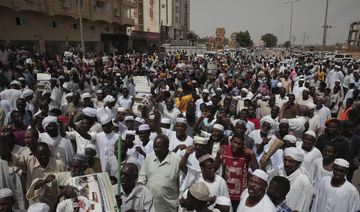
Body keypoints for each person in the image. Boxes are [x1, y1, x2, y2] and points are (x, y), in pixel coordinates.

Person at [138, 134, 182, 211]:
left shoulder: (176, 160)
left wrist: (180, 205)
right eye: (154, 146)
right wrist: (140, 186)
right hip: (151, 206)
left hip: (169, 207)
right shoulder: (149, 158)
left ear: (167, 146)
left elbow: (182, 184)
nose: (155, 149)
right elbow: (142, 176)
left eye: (158, 147)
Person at [214, 134, 258, 210]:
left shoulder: (247, 153)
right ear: (231, 141)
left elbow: (257, 171)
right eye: (235, 142)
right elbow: (214, 168)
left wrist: (252, 154)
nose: (236, 146)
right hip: (225, 191)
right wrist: (218, 155)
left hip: (239, 194)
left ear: (243, 145)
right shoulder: (224, 149)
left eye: (239, 144)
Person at [267, 147, 313, 212]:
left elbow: (303, 205)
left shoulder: (304, 181)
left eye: (290, 161)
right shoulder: (279, 169)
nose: (286, 163)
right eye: (285, 160)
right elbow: (267, 180)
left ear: (298, 163)